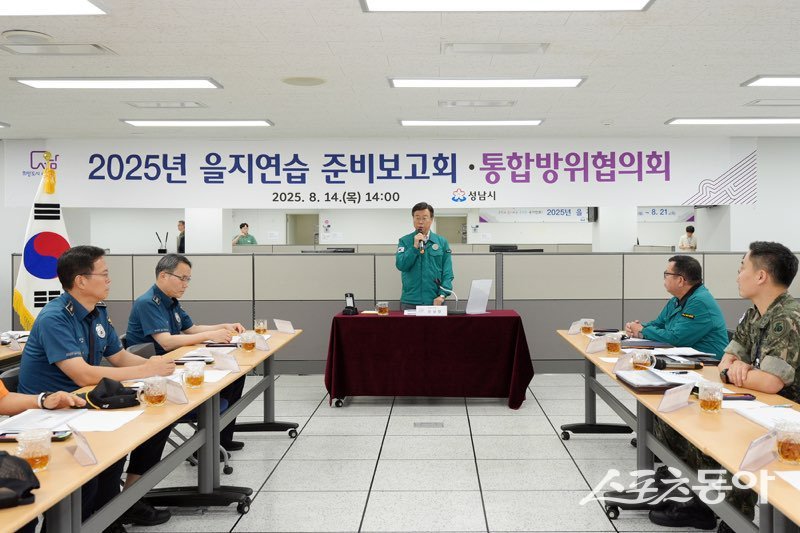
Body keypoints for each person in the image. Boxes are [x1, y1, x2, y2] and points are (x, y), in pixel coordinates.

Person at [18, 245, 176, 530]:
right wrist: (145, 370)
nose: (109, 280)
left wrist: (154, 366)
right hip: (51, 412)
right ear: (81, 281)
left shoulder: (98, 311)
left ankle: (112, 511)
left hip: (85, 403)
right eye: (103, 274)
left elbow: (119, 356)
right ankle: (96, 518)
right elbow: (82, 375)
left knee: (153, 424)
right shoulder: (55, 317)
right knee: (104, 456)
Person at [649, 241, 800, 532]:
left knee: (732, 443)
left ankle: (734, 518)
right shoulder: (754, 314)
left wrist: (741, 370)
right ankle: (707, 503)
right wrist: (739, 370)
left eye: (742, 267)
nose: (738, 275)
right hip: (758, 403)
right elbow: (725, 362)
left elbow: (771, 381)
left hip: (786, 417)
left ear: (761, 276)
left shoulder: (787, 318)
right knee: (678, 424)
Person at [125, 253, 247, 451]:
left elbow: (191, 329)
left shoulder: (171, 301)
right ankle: (207, 446)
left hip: (174, 362)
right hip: (156, 372)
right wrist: (210, 336)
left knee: (234, 375)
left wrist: (223, 326)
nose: (186, 284)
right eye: (182, 278)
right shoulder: (149, 303)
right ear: (163, 276)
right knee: (220, 377)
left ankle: (220, 440)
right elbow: (166, 342)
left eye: (188, 279)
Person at [625, 255, 728, 357]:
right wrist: (637, 327)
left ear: (680, 280)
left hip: (708, 363)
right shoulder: (676, 300)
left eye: (666, 274)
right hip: (685, 358)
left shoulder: (699, 303)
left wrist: (642, 330)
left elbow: (676, 338)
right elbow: (658, 324)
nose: (664, 278)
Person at [395, 202, 454, 309]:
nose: (420, 221)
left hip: (435, 300)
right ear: (413, 219)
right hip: (410, 301)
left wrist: (442, 295)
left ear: (431, 219)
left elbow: (447, 272)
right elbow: (401, 265)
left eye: (424, 218)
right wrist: (414, 247)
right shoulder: (404, 241)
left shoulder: (441, 242)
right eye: (417, 218)